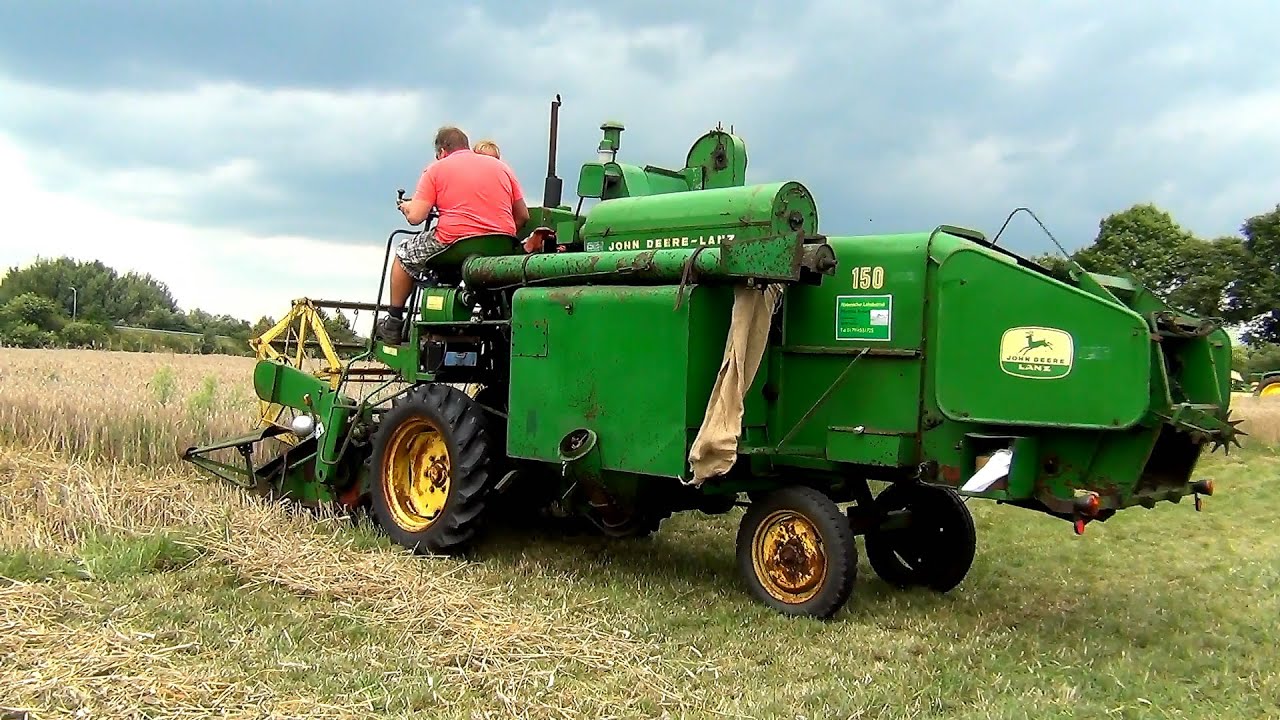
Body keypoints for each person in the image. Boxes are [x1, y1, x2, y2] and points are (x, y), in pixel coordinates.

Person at [377, 126, 530, 343]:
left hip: (456, 241)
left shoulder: (437, 169)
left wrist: (406, 206)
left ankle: (393, 322)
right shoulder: (502, 168)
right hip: (501, 244)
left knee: (404, 254)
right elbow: (522, 216)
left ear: (442, 151)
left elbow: (416, 217)